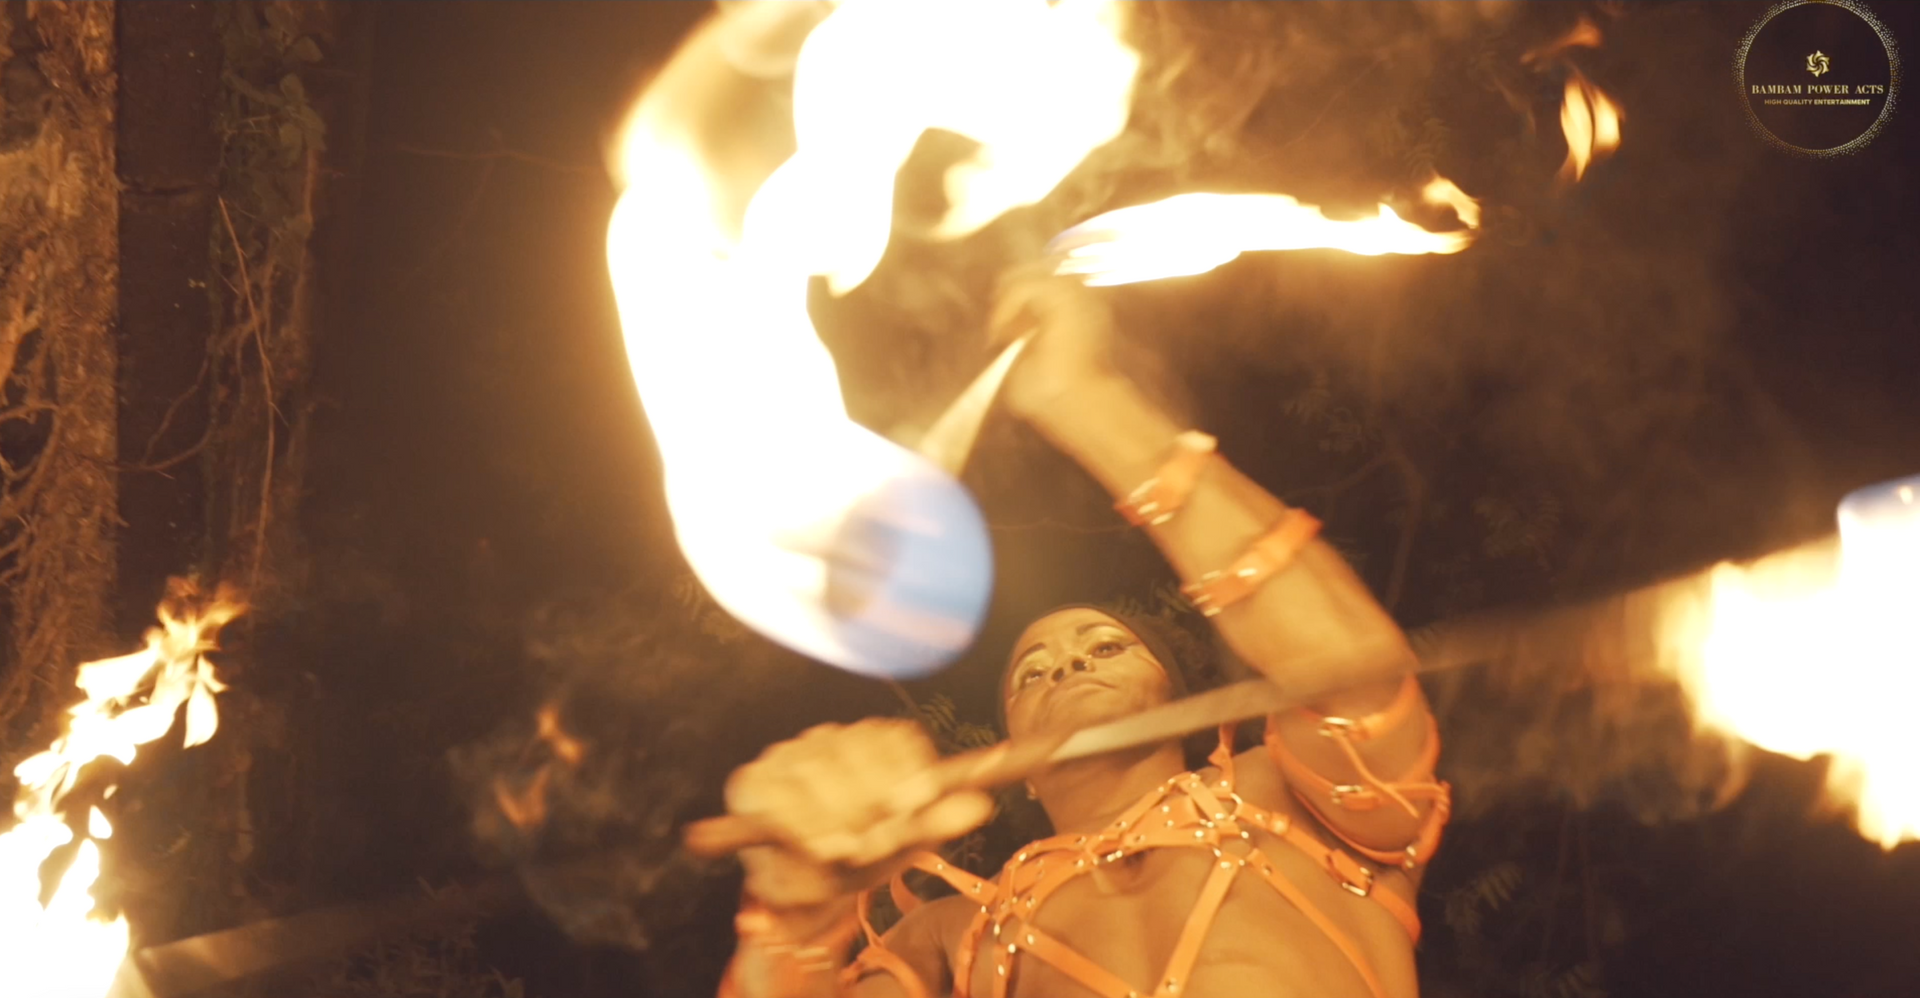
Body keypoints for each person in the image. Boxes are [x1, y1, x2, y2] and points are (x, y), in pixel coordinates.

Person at [716, 269, 1451, 998]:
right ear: (1021, 766)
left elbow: (1347, 668)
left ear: (1173, 694)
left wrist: (1086, 400)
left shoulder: (1294, 799)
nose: (1066, 666)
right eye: (1032, 672)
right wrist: (794, 915)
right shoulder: (950, 937)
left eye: (1104, 648)